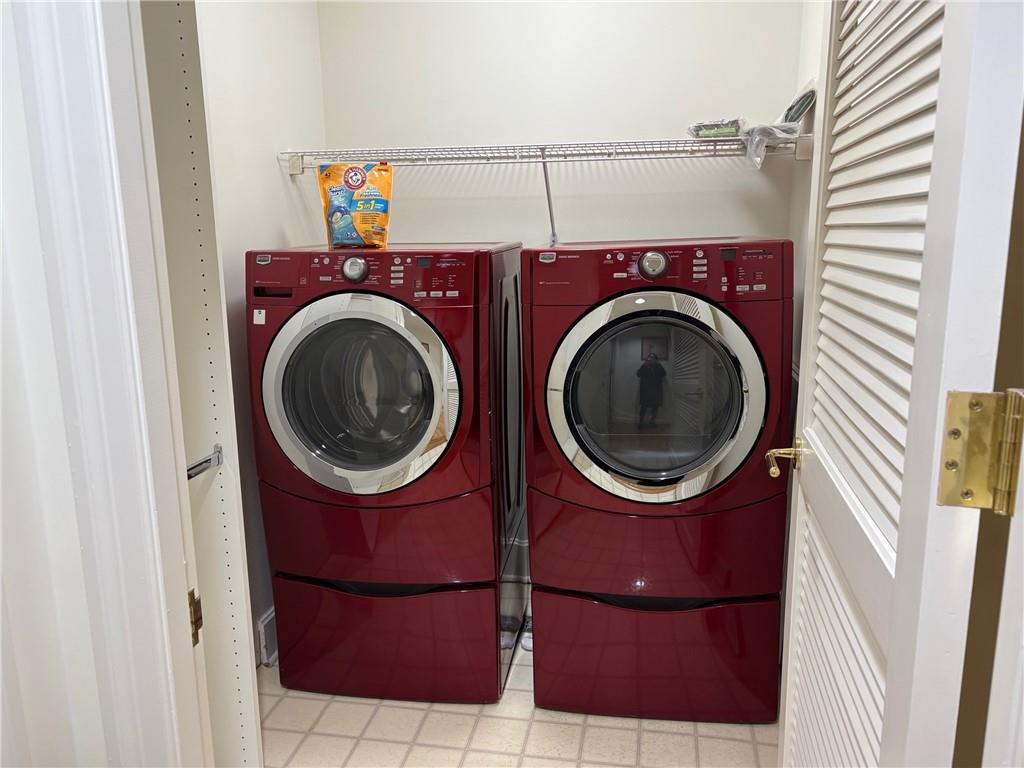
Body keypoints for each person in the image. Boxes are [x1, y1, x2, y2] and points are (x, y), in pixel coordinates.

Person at [636, 352, 666, 429]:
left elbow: (664, 374)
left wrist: (658, 365)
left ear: (656, 359)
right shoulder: (644, 366)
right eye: (649, 357)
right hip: (645, 390)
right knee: (644, 407)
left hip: (656, 390)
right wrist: (644, 365)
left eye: (653, 357)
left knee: (655, 407)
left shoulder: (659, 366)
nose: (651, 359)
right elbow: (638, 374)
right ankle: (641, 423)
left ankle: (651, 422)